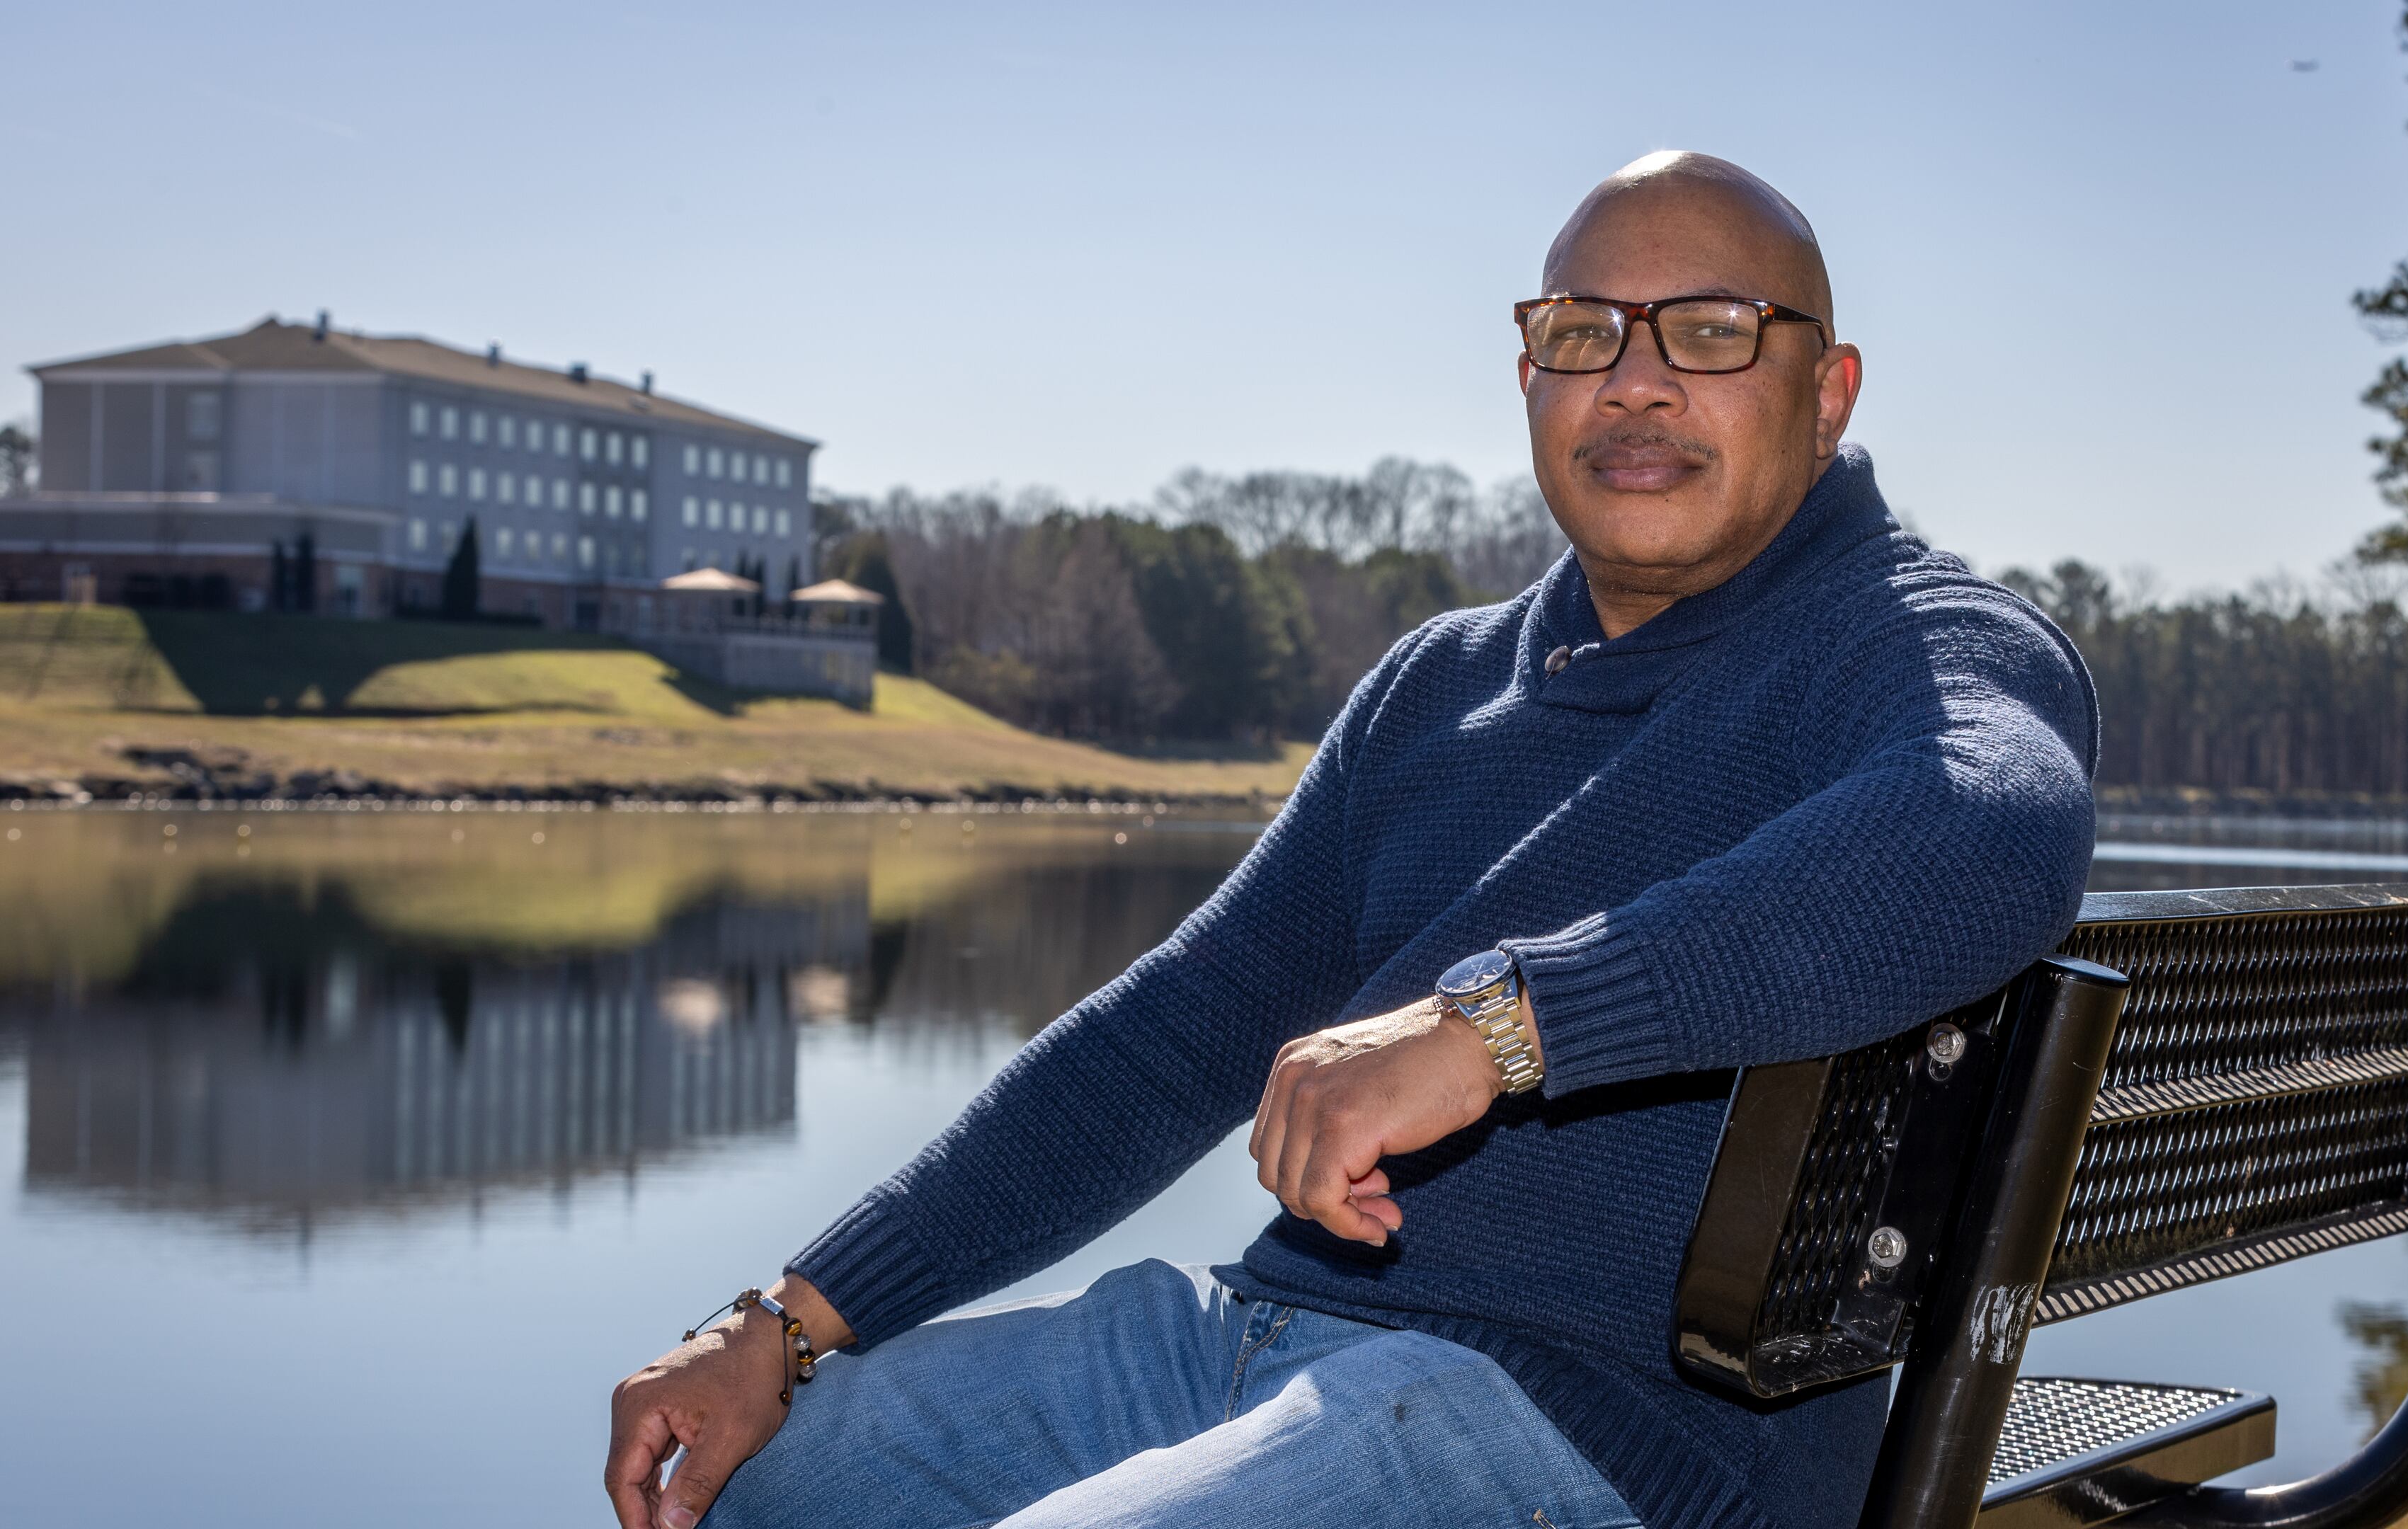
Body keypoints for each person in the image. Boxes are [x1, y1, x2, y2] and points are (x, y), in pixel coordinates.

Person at [606, 149, 2098, 1529]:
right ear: (1530, 376)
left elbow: (1989, 832)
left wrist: (1497, 1029)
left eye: (1712, 333)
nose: (1636, 384)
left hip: (1596, 1428)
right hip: (1245, 1336)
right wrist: (789, 1321)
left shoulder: (1910, 646)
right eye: (1584, 334)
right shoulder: (1440, 684)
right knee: (761, 1484)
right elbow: (1173, 1036)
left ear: (1828, 393)